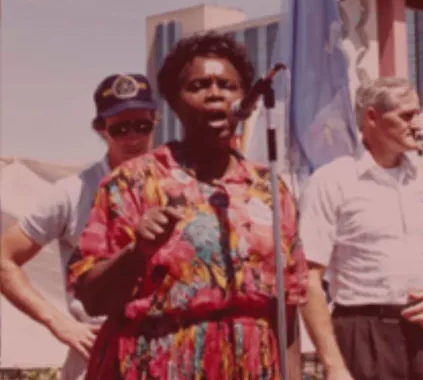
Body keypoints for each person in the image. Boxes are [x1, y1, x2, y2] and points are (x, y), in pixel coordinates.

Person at [67, 32, 308, 379]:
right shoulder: (131, 183)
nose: (215, 94)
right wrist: (138, 251)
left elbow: (287, 308)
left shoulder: (270, 189)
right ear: (174, 102)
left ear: (244, 97)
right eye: (198, 86)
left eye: (227, 85)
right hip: (157, 367)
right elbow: (92, 299)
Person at [0, 73, 158, 380]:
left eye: (142, 125)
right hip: (99, 351)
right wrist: (58, 322)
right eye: (120, 128)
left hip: (170, 349)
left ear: (156, 119)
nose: (133, 139)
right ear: (101, 129)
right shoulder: (73, 192)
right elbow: (4, 258)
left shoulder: (179, 187)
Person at [299, 77, 423, 380]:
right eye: (406, 115)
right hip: (363, 335)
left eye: (418, 114)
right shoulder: (332, 182)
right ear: (372, 117)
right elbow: (308, 278)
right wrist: (334, 365)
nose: (417, 125)